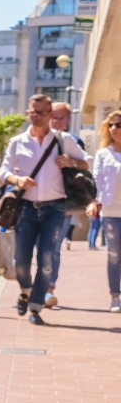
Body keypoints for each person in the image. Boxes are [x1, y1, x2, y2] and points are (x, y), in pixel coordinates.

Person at [0, 94, 88, 324]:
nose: (37, 116)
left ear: (49, 115)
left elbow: (88, 162)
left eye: (42, 112)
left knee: (47, 257)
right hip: (26, 208)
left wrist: (72, 162)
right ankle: (25, 289)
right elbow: (2, 173)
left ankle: (35, 306)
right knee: (21, 260)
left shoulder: (63, 140)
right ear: (28, 113)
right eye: (33, 112)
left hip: (55, 208)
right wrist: (17, 180)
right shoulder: (18, 142)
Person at [44, 102, 87, 307]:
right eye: (55, 117)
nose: (59, 122)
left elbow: (86, 166)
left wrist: (71, 162)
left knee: (53, 248)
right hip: (37, 203)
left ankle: (48, 289)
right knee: (35, 249)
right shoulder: (36, 140)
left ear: (68, 120)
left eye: (63, 118)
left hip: (63, 203)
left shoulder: (73, 140)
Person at [87, 110, 121, 313]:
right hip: (112, 212)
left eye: (120, 125)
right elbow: (96, 179)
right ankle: (115, 296)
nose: (115, 128)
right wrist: (93, 201)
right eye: (112, 125)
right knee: (115, 255)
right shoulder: (103, 154)